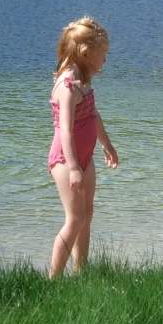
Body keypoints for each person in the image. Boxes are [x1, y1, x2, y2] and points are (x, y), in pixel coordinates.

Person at [47, 17, 119, 278]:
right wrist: (75, 167)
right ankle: (52, 279)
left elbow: (93, 116)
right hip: (67, 161)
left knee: (87, 214)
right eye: (103, 55)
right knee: (74, 218)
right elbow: (65, 130)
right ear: (86, 53)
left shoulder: (82, 82)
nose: (105, 61)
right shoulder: (67, 87)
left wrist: (107, 145)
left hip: (84, 158)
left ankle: (82, 272)